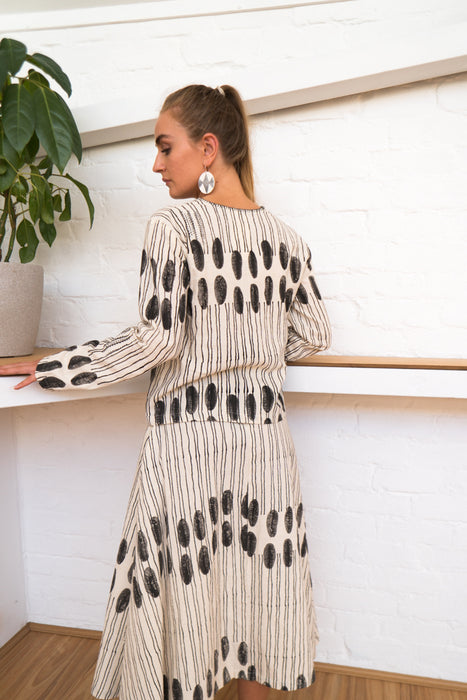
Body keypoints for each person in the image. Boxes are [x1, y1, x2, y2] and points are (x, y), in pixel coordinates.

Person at [0, 84, 332, 700]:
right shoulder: (285, 238)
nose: (156, 164)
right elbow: (315, 333)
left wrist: (55, 365)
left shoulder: (173, 225)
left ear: (207, 148)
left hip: (187, 446)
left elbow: (158, 339)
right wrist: (249, 352)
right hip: (263, 446)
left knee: (180, 589)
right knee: (255, 589)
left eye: (164, 146)